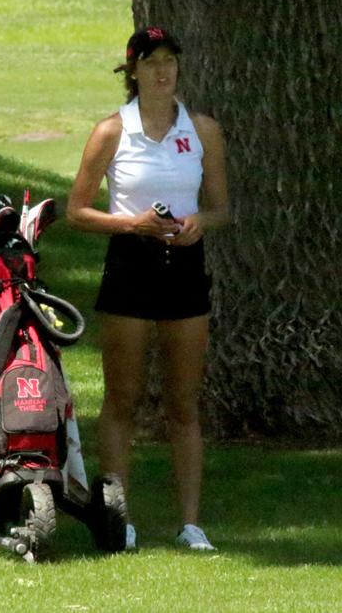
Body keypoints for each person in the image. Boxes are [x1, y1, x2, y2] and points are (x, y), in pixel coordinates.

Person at [66, 27, 229, 551]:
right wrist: (131, 224)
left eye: (170, 61)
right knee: (123, 399)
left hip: (184, 265)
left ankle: (190, 523)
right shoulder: (112, 131)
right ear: (132, 71)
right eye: (151, 61)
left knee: (184, 403)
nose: (162, 70)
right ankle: (120, 516)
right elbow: (77, 211)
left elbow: (222, 207)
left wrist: (201, 220)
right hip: (131, 264)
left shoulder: (202, 129)